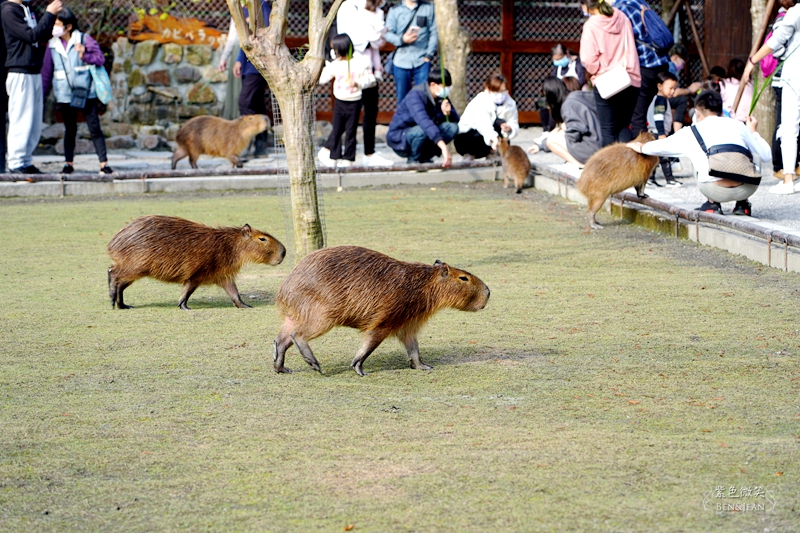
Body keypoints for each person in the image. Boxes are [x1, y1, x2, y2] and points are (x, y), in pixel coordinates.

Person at [627, 91, 771, 216]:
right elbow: (766, 156)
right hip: (747, 188)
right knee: (748, 152)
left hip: (715, 190)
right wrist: (753, 132)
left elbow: (662, 146)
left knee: (696, 154)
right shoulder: (739, 125)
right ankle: (742, 205)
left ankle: (712, 205)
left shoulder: (692, 131)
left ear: (697, 112)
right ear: (720, 110)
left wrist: (641, 147)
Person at [40, 8, 111, 174]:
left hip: (86, 92)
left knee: (95, 128)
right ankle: (68, 163)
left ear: (69, 26)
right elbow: (46, 73)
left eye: (57, 24)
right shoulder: (53, 45)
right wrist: (41, 96)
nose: (54, 28)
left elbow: (100, 59)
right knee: (70, 129)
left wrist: (85, 54)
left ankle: (104, 163)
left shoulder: (84, 39)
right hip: (64, 94)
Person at [745, 0, 800, 194]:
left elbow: (775, 41)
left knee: (789, 128)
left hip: (795, 76)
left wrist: (753, 61)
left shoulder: (795, 12)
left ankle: (788, 180)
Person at [2, 0, 61, 174]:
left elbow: (41, 35)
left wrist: (51, 20)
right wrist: (49, 13)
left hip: (34, 70)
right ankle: (15, 162)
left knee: (34, 121)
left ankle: (26, 160)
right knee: (21, 118)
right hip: (20, 71)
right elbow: (30, 35)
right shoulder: (8, 10)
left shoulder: (27, 8)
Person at [336, 0, 394, 166]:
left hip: (370, 69)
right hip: (353, 66)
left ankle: (369, 153)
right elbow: (347, 37)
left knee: (371, 110)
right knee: (350, 114)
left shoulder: (374, 7)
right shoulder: (348, 6)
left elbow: (378, 36)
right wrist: (372, 41)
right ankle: (340, 153)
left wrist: (376, 39)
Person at [579, 0, 641, 147]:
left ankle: (610, 169)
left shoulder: (591, 25)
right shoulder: (622, 17)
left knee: (608, 130)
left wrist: (597, 71)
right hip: (629, 77)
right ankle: (627, 167)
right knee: (624, 126)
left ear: (585, 6)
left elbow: (588, 59)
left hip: (606, 81)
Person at [614, 0, 671, 140]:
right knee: (646, 112)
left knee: (636, 117)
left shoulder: (619, 9)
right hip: (661, 64)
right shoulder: (639, 2)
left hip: (644, 66)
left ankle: (644, 158)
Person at [317, 34, 375, 168]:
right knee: (336, 129)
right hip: (340, 102)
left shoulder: (360, 62)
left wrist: (358, 83)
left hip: (354, 102)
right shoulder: (335, 65)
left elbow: (369, 80)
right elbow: (323, 79)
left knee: (351, 131)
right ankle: (334, 157)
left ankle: (349, 158)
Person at [386, 68, 458, 167]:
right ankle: (413, 159)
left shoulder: (442, 97)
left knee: (452, 128)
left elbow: (456, 121)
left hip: (425, 135)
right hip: (401, 138)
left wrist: (449, 113)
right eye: (445, 87)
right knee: (422, 130)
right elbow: (424, 121)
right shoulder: (415, 96)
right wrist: (443, 147)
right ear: (433, 84)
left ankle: (425, 157)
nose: (447, 90)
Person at [528, 76, 601, 168]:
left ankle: (580, 165)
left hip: (592, 149)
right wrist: (541, 146)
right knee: (557, 133)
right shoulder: (577, 96)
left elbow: (574, 134)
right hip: (599, 142)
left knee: (551, 140)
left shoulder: (568, 105)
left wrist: (564, 131)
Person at [233, 0, 271, 156]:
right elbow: (245, 40)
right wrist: (239, 60)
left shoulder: (261, 5)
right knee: (255, 104)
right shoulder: (244, 8)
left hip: (259, 63)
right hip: (247, 64)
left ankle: (247, 142)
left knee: (245, 102)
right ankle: (260, 145)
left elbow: (264, 34)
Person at [454, 73, 519, 160]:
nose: (500, 95)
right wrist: (493, 138)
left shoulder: (510, 103)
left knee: (503, 135)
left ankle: (493, 154)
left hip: (493, 137)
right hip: (470, 137)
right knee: (477, 135)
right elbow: (483, 124)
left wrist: (509, 128)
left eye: (503, 91)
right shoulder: (480, 101)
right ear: (487, 89)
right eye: (496, 92)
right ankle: (470, 154)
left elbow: (513, 121)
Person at [384, 0, 438, 104]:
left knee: (423, 97)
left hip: (422, 60)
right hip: (401, 61)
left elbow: (433, 32)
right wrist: (402, 39)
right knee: (403, 99)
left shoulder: (428, 8)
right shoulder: (395, 10)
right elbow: (387, 34)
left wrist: (428, 55)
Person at [539, 43, 587, 131]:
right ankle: (546, 130)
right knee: (545, 104)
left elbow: (582, 80)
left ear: (567, 53)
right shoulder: (558, 67)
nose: (558, 62)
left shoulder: (578, 64)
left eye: (560, 59)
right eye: (556, 60)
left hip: (575, 93)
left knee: (556, 103)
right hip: (559, 94)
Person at [646, 71, 680, 187]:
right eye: (670, 88)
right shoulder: (661, 100)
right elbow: (658, 117)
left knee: (655, 158)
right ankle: (670, 180)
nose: (673, 91)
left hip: (654, 132)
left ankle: (650, 178)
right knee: (664, 157)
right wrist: (662, 134)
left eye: (674, 88)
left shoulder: (658, 99)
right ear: (659, 86)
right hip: (657, 132)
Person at [666, 44, 702, 132]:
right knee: (681, 100)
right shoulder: (671, 66)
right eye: (682, 62)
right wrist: (689, 90)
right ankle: (677, 132)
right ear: (675, 57)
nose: (682, 66)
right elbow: (673, 92)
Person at [217, 17, 242, 120]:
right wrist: (224, 57)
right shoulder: (236, 8)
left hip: (246, 51)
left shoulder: (261, 6)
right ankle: (234, 120)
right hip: (237, 51)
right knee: (234, 89)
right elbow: (232, 37)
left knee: (241, 91)